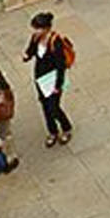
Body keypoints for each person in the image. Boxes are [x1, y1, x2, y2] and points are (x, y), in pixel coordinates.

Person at [24, 12, 74, 146]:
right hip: (40, 78)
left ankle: (66, 128)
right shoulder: (35, 38)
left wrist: (58, 85)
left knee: (54, 107)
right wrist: (27, 56)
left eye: (39, 28)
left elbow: (61, 66)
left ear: (47, 28)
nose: (36, 31)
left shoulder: (55, 41)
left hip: (53, 79)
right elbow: (31, 50)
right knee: (45, 106)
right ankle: (52, 131)